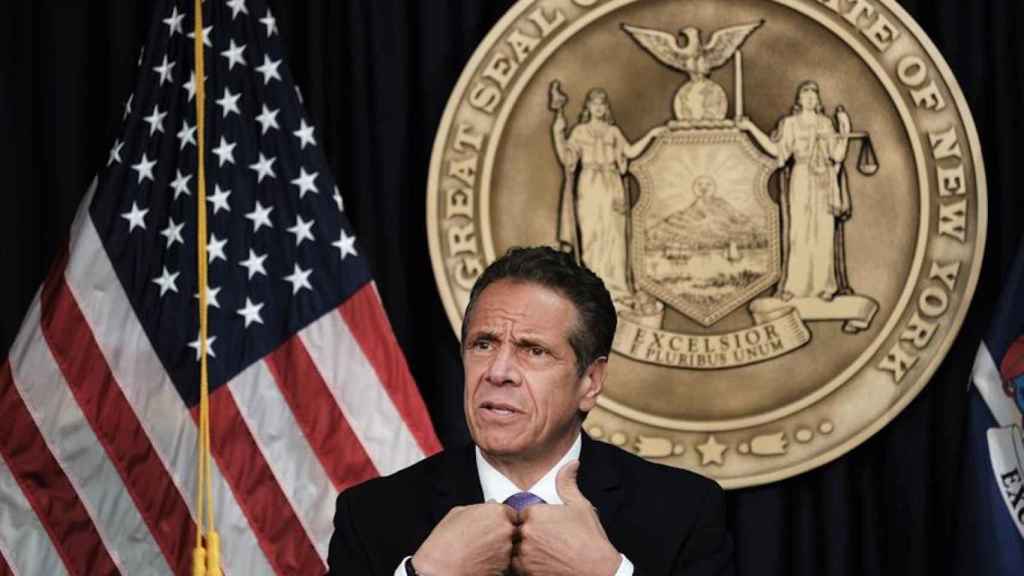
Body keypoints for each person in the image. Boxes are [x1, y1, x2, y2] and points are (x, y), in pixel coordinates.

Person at [326, 246, 734, 575]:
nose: (498, 372)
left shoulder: (684, 513)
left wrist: (608, 575)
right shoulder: (372, 515)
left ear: (590, 382)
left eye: (533, 351)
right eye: (483, 344)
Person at [738, 81, 851, 301]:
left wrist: (844, 130)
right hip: (801, 177)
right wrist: (750, 128)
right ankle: (795, 287)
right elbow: (777, 152)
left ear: (817, 100)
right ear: (798, 100)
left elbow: (837, 155)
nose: (809, 98)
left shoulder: (826, 124)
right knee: (799, 232)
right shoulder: (790, 124)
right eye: (805, 94)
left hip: (823, 181)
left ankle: (825, 286)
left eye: (813, 95)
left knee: (823, 231)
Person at [552, 88, 666, 306]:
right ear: (588, 107)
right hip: (589, 186)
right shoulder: (579, 132)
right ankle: (595, 287)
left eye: (602, 104)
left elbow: (630, 152)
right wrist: (558, 133)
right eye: (594, 104)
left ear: (606, 108)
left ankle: (617, 288)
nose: (598, 108)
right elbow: (567, 159)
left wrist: (651, 135)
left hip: (612, 186)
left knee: (614, 237)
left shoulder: (613, 132)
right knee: (592, 235)